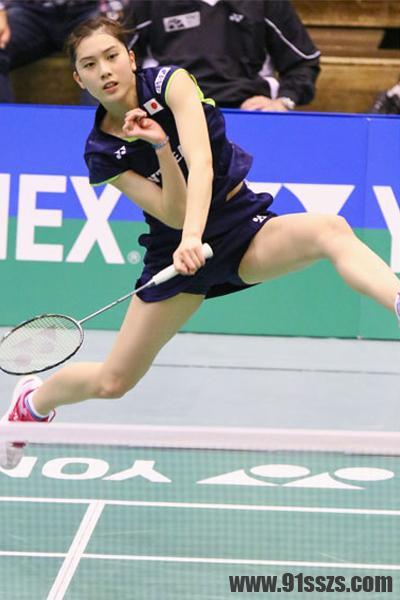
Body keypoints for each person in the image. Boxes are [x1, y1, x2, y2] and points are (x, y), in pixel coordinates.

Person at [1, 17, 400, 469]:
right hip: (174, 253)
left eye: (112, 56)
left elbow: (203, 162)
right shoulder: (102, 152)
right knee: (114, 381)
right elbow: (172, 213)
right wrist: (158, 149)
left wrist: (193, 230)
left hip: (239, 224)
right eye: (90, 65)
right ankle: (32, 404)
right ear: (79, 79)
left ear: (130, 58)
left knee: (330, 230)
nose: (105, 70)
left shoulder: (171, 84)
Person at [127, 0, 320, 111]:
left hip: (246, 111)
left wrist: (283, 101)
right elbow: (119, 60)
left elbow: (304, 62)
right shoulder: (148, 3)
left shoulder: (265, 3)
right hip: (171, 112)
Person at [0, 0, 126, 103]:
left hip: (89, 8)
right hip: (29, 9)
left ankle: (99, 123)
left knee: (99, 50)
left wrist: (113, 11)